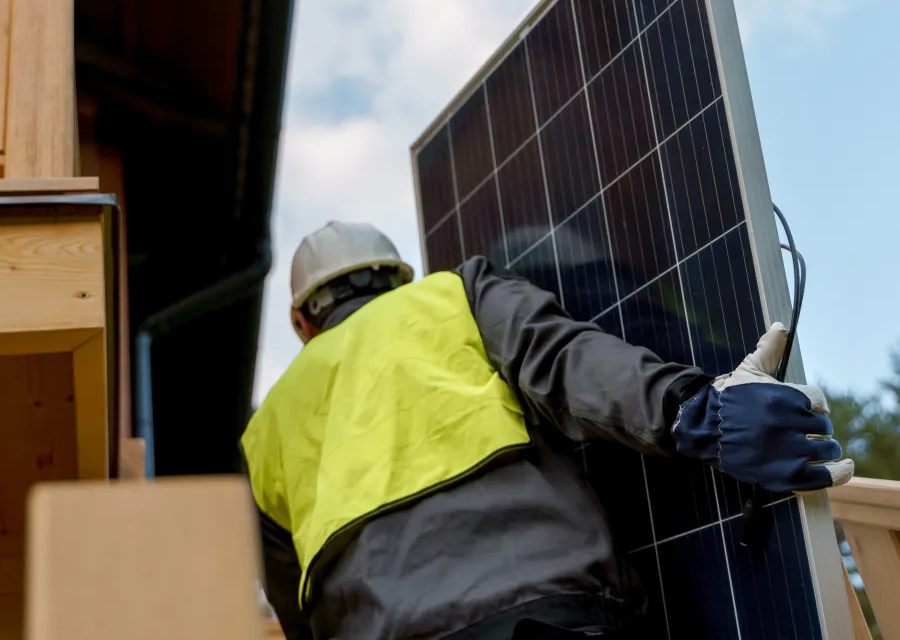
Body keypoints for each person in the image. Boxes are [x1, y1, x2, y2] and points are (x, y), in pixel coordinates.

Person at [241, 220, 853, 640]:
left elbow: (292, 607)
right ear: (398, 278)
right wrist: (692, 410)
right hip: (547, 615)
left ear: (302, 319)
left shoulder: (263, 431)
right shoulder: (450, 296)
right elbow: (570, 363)